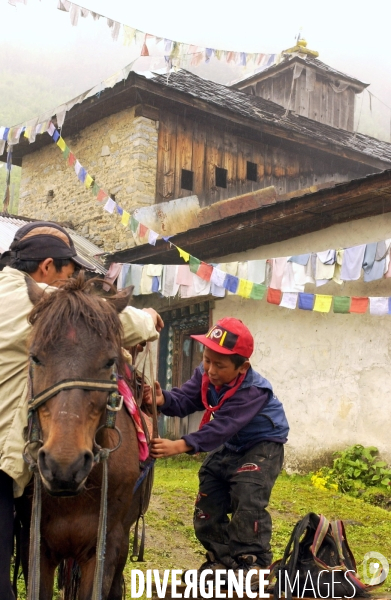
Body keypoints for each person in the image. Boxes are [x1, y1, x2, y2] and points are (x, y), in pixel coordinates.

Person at [0, 221, 163, 600]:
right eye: (69, 272)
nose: (71, 282)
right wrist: (150, 319)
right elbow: (109, 318)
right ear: (45, 268)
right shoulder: (40, 304)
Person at [145, 317, 289, 586]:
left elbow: (221, 428)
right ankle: (222, 560)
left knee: (248, 493)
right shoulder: (205, 374)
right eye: (207, 360)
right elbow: (187, 398)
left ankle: (253, 563)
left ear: (242, 367)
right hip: (233, 443)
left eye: (219, 365)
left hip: (263, 445)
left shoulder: (253, 391)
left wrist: (178, 445)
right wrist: (163, 398)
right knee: (209, 487)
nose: (210, 369)